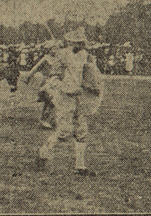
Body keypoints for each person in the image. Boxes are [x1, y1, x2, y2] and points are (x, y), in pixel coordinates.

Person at [35, 27, 103, 176]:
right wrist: (67, 88)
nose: (80, 45)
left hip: (79, 97)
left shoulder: (85, 55)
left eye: (81, 42)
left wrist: (90, 87)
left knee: (82, 130)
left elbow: (89, 74)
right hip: (65, 96)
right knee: (64, 129)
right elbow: (54, 77)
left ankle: (80, 166)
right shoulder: (62, 55)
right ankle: (44, 151)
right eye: (77, 42)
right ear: (70, 42)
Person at [22, 40, 64, 129]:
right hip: (49, 81)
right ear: (49, 50)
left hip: (59, 82)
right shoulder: (46, 58)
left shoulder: (60, 58)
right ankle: (47, 121)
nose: (55, 51)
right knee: (52, 100)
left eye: (56, 49)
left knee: (52, 102)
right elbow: (35, 68)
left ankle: (48, 120)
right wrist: (28, 77)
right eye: (52, 49)